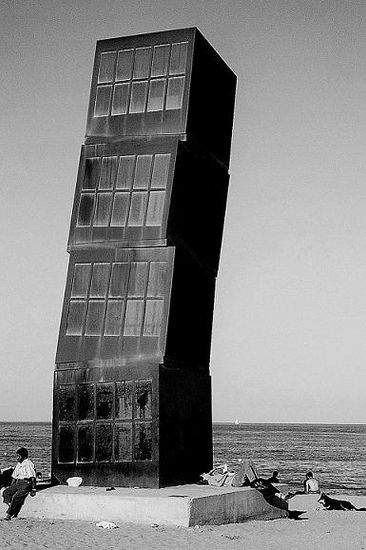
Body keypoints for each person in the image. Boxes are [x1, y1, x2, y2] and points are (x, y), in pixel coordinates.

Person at [3, 448, 36, 520]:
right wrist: (11, 487)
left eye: (19, 456)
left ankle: (9, 514)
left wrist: (33, 489)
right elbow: (14, 477)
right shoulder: (18, 464)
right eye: (16, 456)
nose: (17, 458)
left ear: (23, 457)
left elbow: (33, 477)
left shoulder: (28, 464)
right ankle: (11, 506)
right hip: (19, 482)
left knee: (16, 497)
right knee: (6, 492)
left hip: (26, 483)